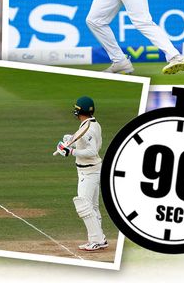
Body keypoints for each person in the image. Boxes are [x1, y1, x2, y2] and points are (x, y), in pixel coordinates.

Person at [55, 96, 108, 252]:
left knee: (83, 205)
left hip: (89, 170)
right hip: (89, 169)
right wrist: (69, 140)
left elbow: (92, 150)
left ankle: (96, 240)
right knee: (92, 206)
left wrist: (71, 151)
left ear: (79, 111)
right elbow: (83, 140)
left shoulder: (89, 128)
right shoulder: (92, 123)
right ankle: (100, 239)